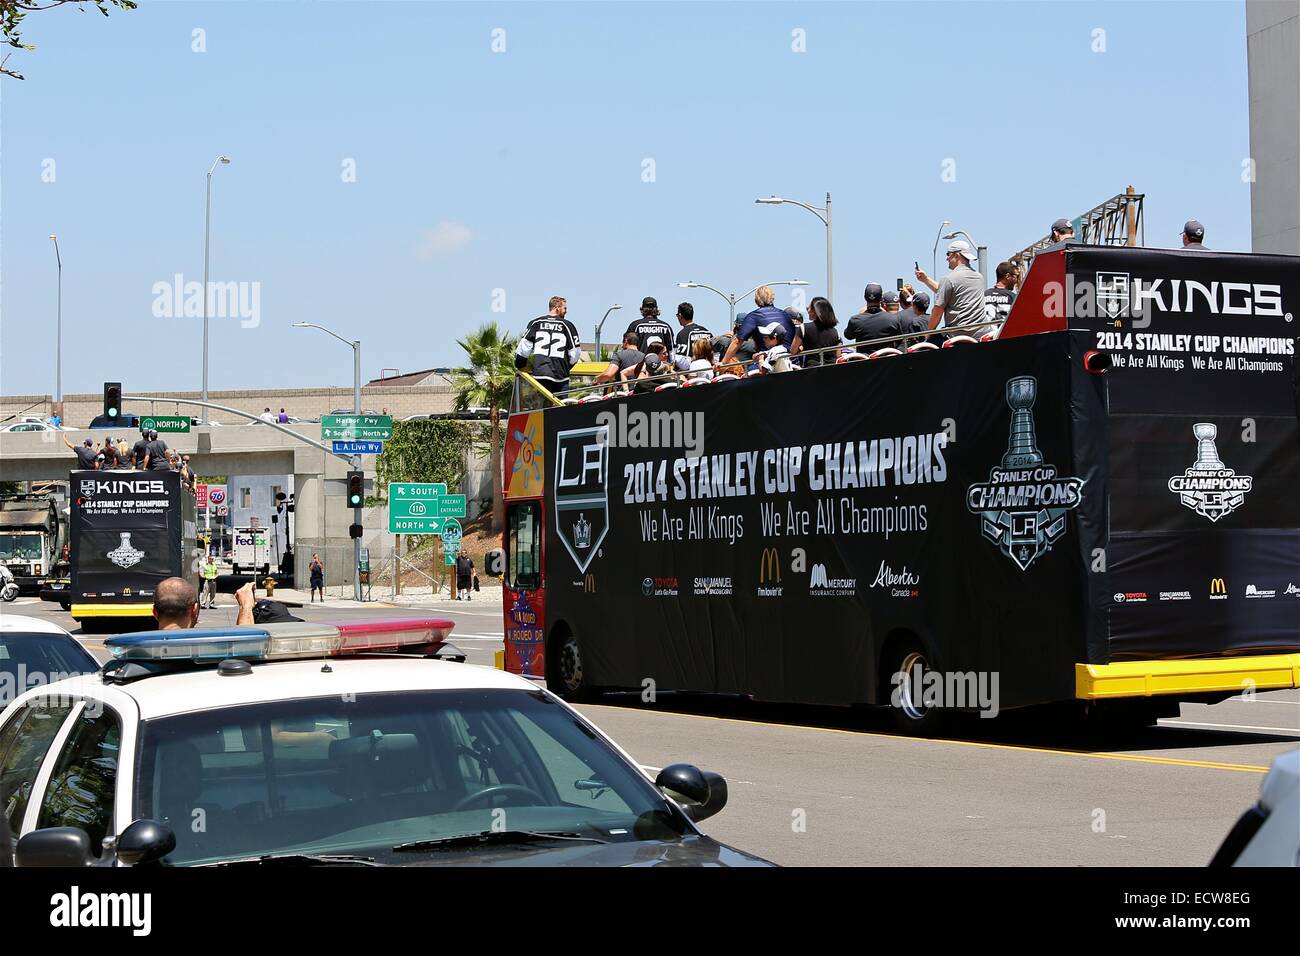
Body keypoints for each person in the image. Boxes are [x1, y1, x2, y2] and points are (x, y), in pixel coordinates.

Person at [916, 240, 989, 336]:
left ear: (957, 255)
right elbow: (949, 292)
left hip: (957, 334)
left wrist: (928, 334)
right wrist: (926, 279)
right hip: (981, 333)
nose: (947, 258)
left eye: (948, 254)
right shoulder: (979, 277)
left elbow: (937, 311)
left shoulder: (949, 279)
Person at [515, 295, 581, 397]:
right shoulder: (567, 325)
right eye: (565, 308)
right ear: (557, 307)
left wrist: (520, 365)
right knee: (561, 410)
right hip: (560, 379)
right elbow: (575, 354)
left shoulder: (535, 323)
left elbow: (523, 350)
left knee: (539, 410)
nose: (566, 311)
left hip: (540, 377)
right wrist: (565, 367)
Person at [722, 286, 800, 367]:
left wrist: (723, 363)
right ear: (772, 298)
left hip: (769, 365)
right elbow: (796, 340)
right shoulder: (785, 315)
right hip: (792, 363)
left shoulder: (753, 317)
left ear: (756, 300)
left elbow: (737, 341)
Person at [153, 576, 253, 629]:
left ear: (155, 613)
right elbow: (247, 647)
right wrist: (246, 607)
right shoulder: (205, 648)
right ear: (194, 610)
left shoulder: (140, 650)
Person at [845, 283, 900, 349]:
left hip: (865, 358)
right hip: (888, 358)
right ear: (880, 299)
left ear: (865, 298)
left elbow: (848, 336)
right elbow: (899, 339)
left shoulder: (855, 320)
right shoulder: (892, 319)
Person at [800, 296, 841, 367]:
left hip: (811, 370)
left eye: (808, 308)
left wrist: (801, 348)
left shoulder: (803, 328)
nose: (807, 310)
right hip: (831, 371)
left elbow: (793, 351)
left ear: (816, 311)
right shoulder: (836, 332)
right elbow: (838, 354)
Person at [982, 261, 1019, 337]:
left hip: (985, 337)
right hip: (1004, 337)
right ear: (1008, 276)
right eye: (1016, 277)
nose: (1017, 281)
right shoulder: (1013, 297)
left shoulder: (984, 295)